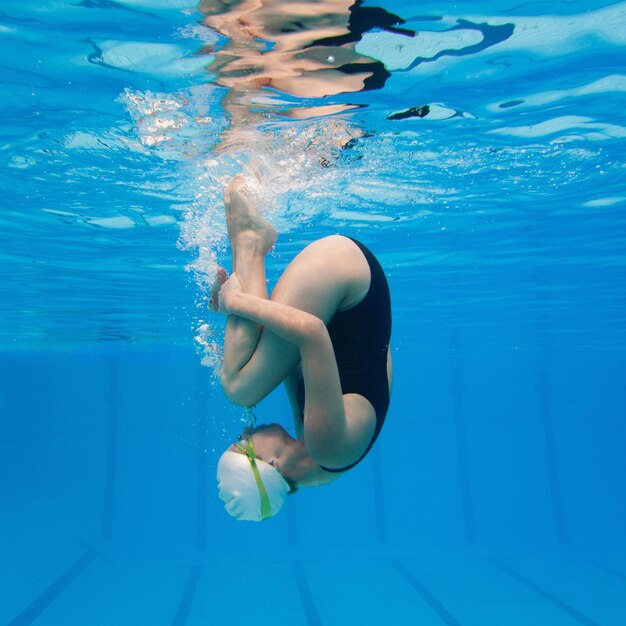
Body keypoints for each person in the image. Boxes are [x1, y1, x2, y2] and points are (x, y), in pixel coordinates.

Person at [213, 174, 392, 521]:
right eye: (243, 442)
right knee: (239, 388)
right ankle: (251, 240)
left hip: (350, 289)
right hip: (343, 274)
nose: (247, 430)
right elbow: (310, 333)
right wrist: (237, 304)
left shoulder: (318, 459)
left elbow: (294, 359)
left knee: (246, 381)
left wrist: (233, 320)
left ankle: (252, 246)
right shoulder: (328, 446)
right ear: (271, 464)